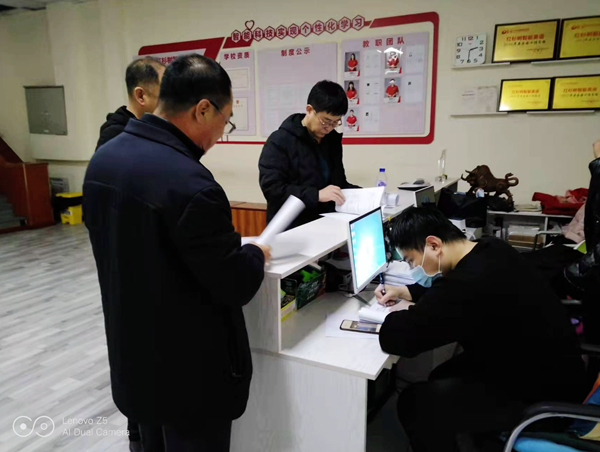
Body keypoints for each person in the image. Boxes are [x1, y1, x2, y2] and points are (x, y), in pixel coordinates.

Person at [83, 54, 271, 452]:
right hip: (189, 376)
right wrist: (255, 252)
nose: (222, 132)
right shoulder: (191, 184)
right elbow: (233, 283)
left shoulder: (103, 161)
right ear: (203, 109)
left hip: (134, 357)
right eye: (226, 120)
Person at [375, 207, 586, 452]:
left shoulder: (468, 282)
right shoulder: (491, 248)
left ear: (433, 245)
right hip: (552, 369)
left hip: (541, 397)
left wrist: (384, 317)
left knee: (415, 404)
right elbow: (449, 291)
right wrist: (407, 291)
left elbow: (400, 339)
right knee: (442, 374)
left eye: (411, 260)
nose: (413, 268)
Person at [259, 80, 359, 229]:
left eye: (336, 122)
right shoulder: (280, 141)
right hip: (291, 228)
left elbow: (338, 184)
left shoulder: (331, 141)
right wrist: (316, 195)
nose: (329, 128)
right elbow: (273, 189)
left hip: (325, 223)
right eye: (326, 121)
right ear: (309, 110)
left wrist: (367, 195)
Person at [95, 56, 165, 151]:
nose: (169, 102)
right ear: (140, 96)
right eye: (164, 94)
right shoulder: (114, 137)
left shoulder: (153, 128)